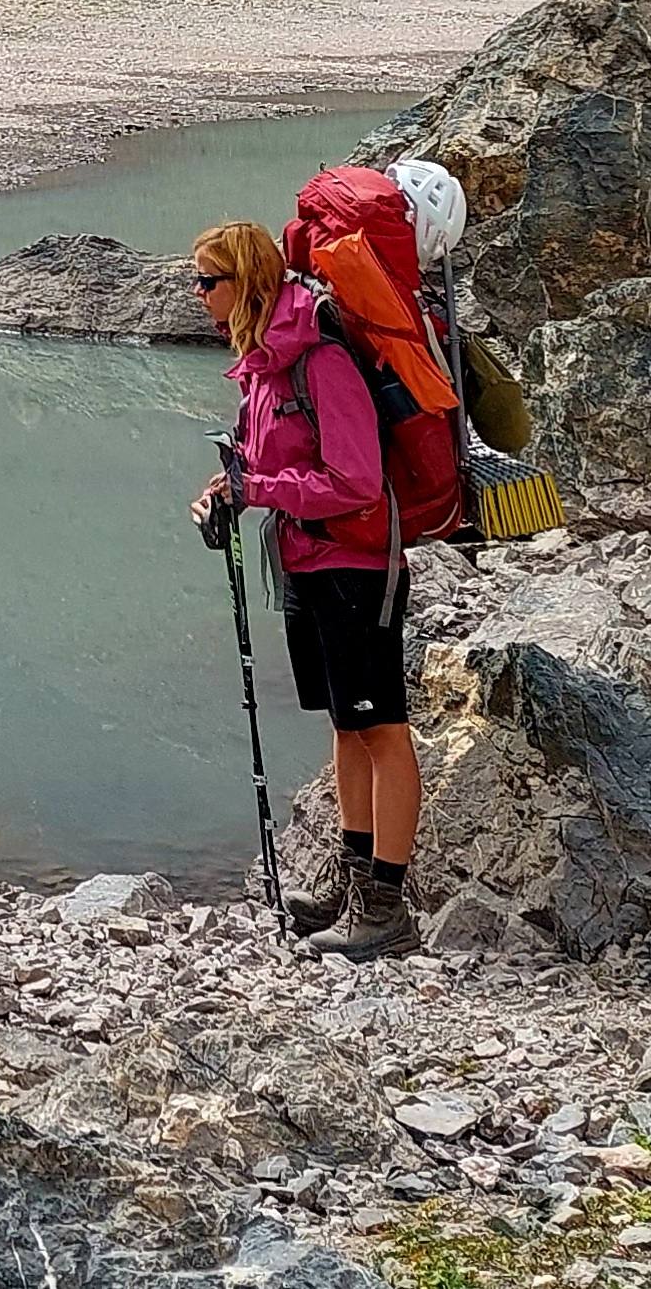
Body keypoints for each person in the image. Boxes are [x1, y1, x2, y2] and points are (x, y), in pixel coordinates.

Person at [188, 215, 423, 958]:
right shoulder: (263, 360)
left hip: (355, 566)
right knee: (345, 725)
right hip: (307, 561)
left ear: (245, 282)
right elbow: (259, 466)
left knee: (380, 726)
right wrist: (225, 493)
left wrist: (258, 488)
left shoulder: (316, 358)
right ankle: (352, 885)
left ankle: (387, 904)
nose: (197, 295)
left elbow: (354, 479)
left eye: (207, 280)